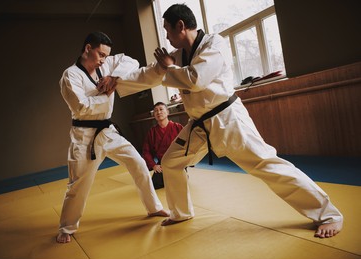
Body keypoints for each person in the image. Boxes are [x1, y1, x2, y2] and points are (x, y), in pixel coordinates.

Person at [100, 4, 343, 238]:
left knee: (267, 165)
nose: (166, 36)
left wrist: (170, 67)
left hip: (228, 119)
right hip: (199, 125)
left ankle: (328, 215)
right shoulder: (177, 56)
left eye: (167, 30)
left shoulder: (213, 44)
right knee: (171, 161)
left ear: (181, 26)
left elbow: (196, 79)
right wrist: (116, 81)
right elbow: (149, 74)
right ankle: (181, 212)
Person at [56, 31, 169, 243]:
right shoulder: (70, 75)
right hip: (84, 135)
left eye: (106, 56)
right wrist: (107, 93)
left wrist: (115, 77)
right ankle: (67, 227)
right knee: (78, 184)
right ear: (87, 48)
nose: (103, 60)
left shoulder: (105, 66)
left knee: (138, 163)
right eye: (100, 54)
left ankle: (154, 208)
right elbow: (81, 107)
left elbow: (131, 61)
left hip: (108, 131)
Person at [142, 102, 183, 189]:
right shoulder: (152, 132)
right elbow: (146, 151)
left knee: (180, 183)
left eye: (161, 109)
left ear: (167, 112)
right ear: (154, 115)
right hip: (163, 163)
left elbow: (186, 146)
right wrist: (154, 165)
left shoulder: (177, 127)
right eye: (156, 111)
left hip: (177, 161)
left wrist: (184, 161)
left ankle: (181, 174)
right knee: (155, 184)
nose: (158, 112)